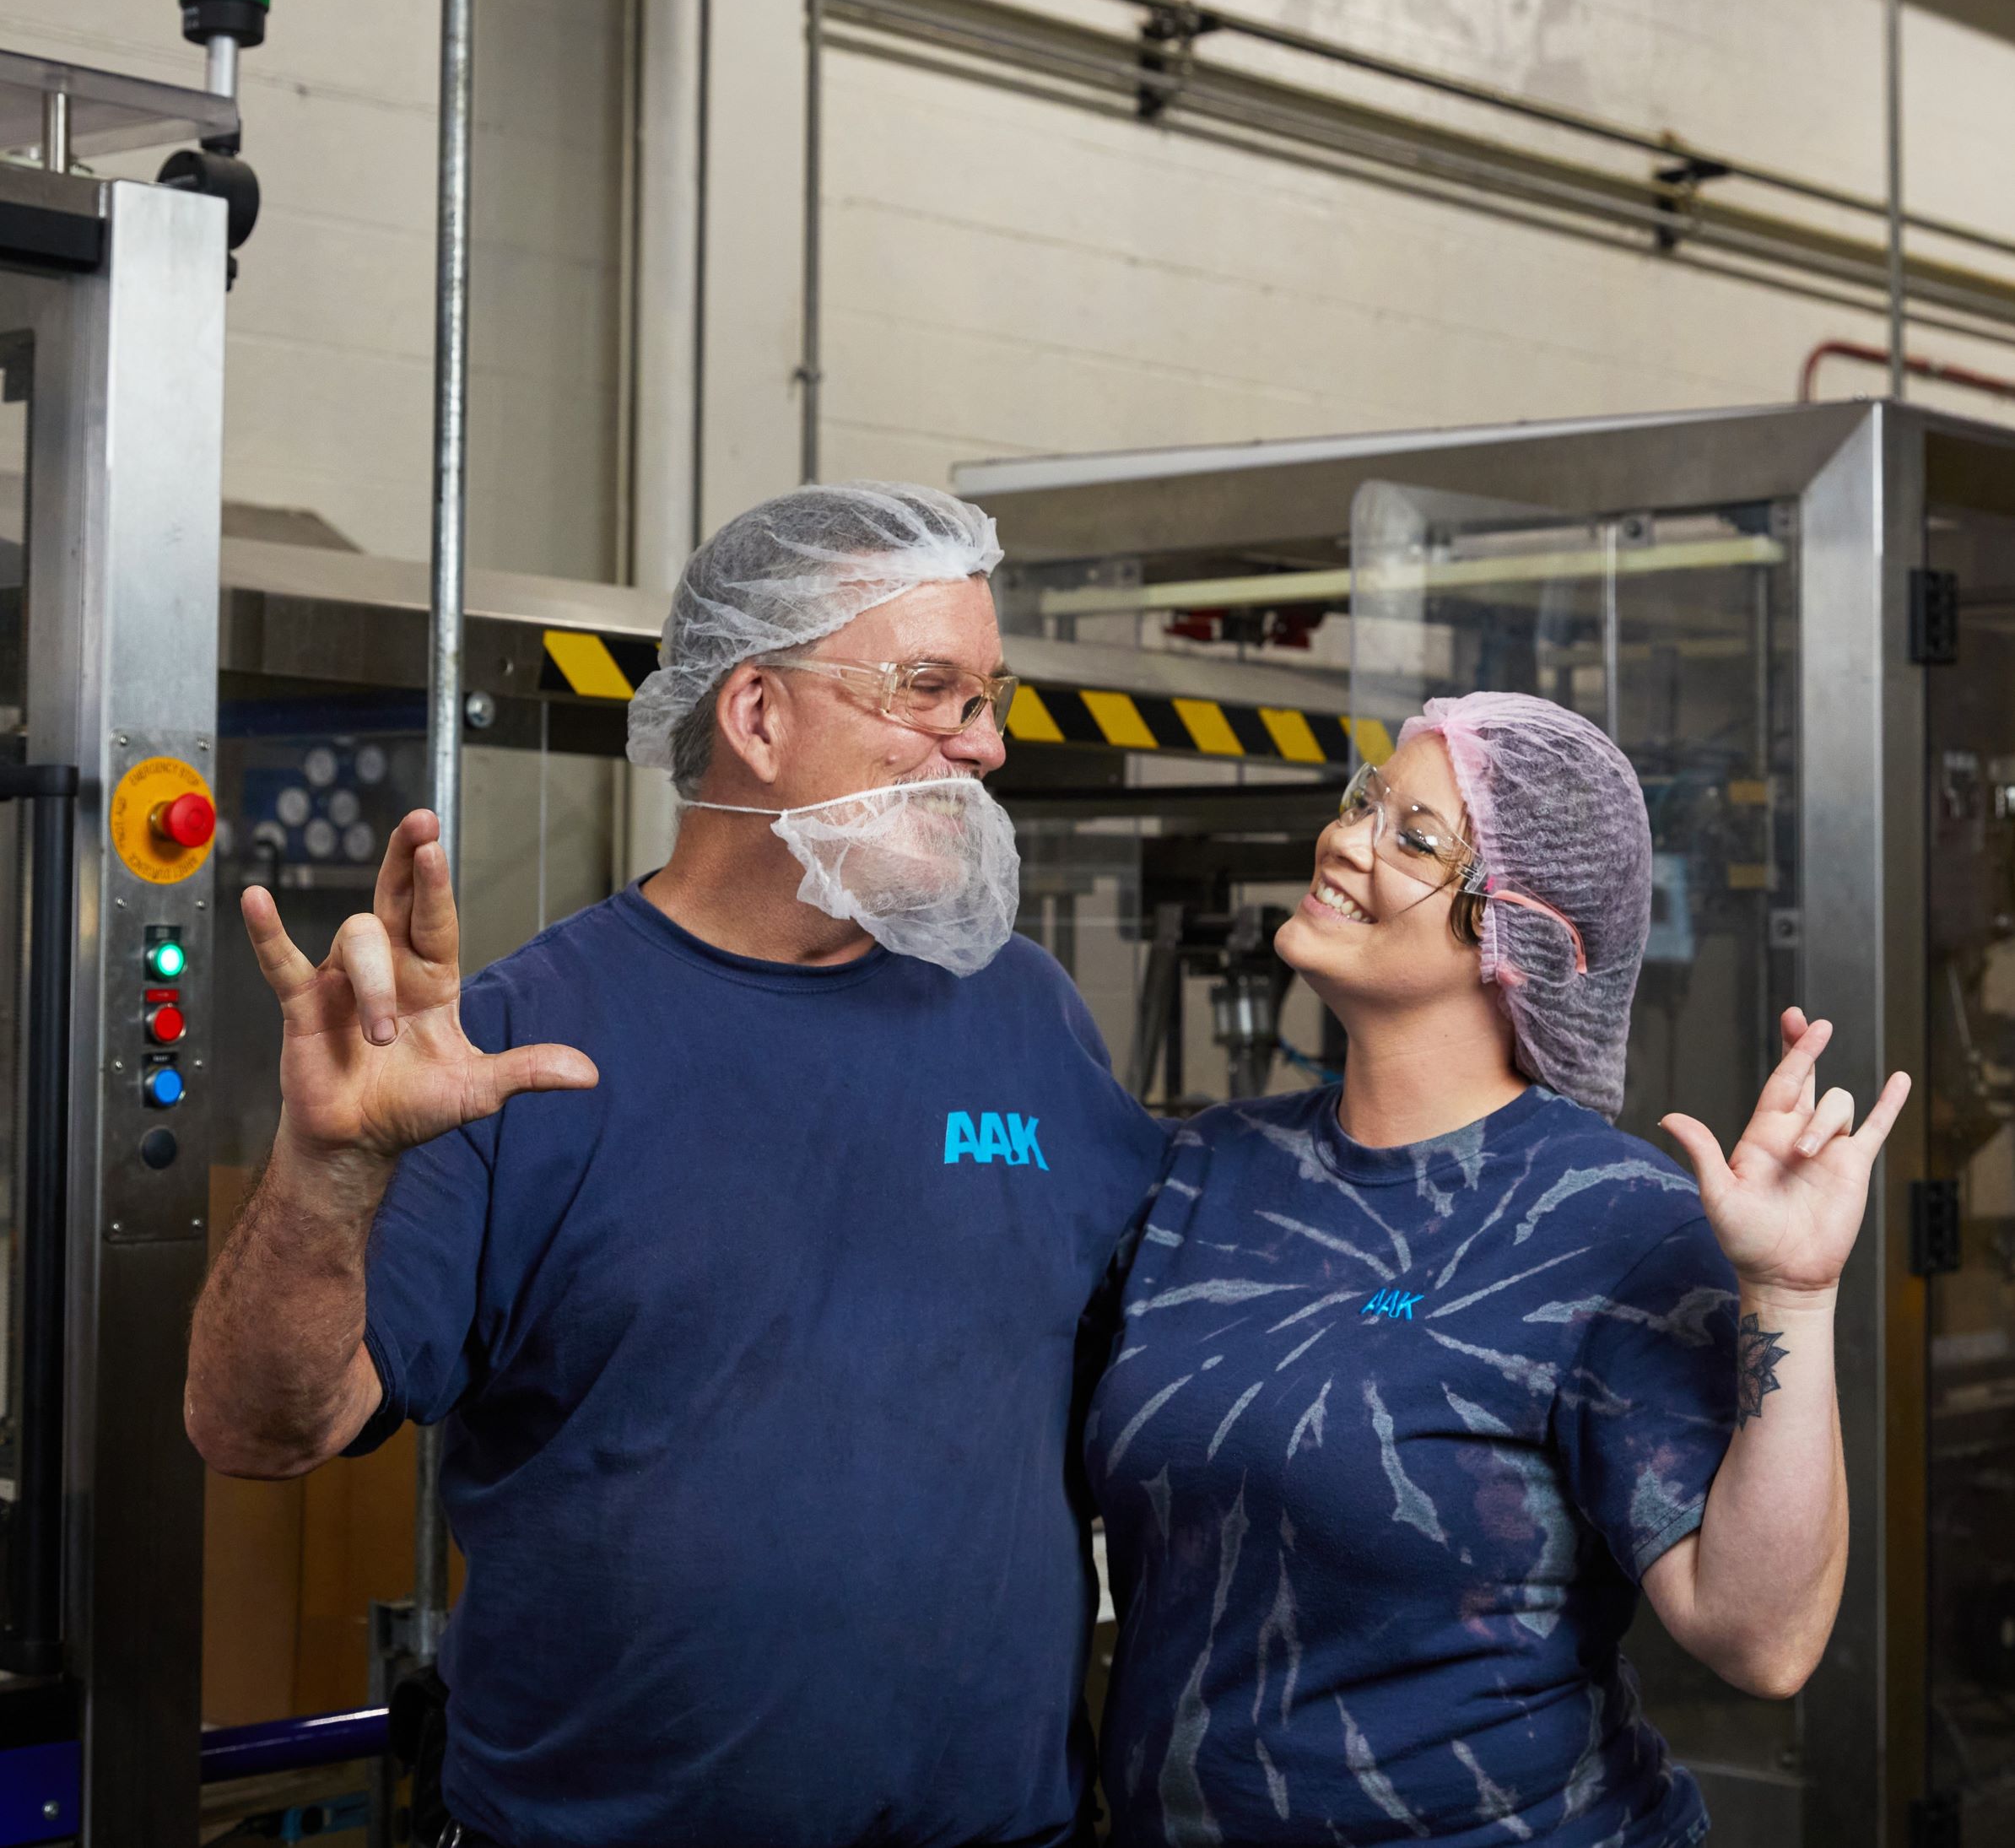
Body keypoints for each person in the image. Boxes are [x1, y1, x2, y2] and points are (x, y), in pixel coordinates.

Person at [185, 483, 1170, 1848]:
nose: (984, 746)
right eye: (933, 692)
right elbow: (259, 1431)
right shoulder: (523, 1043)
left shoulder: (1025, 1011)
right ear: (757, 716)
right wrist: (327, 1171)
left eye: (989, 700)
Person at [1089, 691, 1909, 1847]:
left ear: (1522, 940)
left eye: (1412, 838)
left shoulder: (1611, 1218)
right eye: (1364, 800)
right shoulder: (1210, 1164)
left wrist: (1793, 1294)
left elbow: (1761, 1638)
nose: (1345, 838)